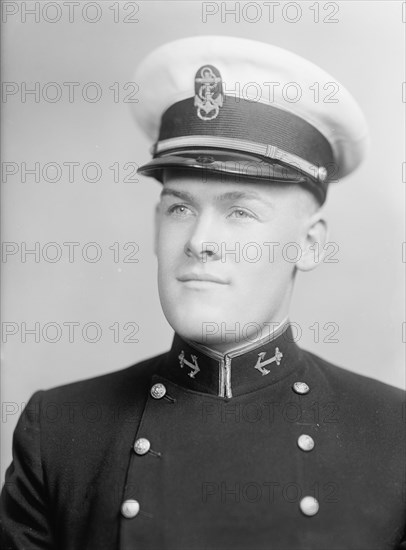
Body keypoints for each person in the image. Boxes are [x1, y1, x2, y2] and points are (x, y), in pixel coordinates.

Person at [1, 35, 405, 550]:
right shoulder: (59, 432)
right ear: (155, 226)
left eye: (240, 211)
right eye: (179, 208)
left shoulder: (394, 436)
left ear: (308, 244)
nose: (199, 242)